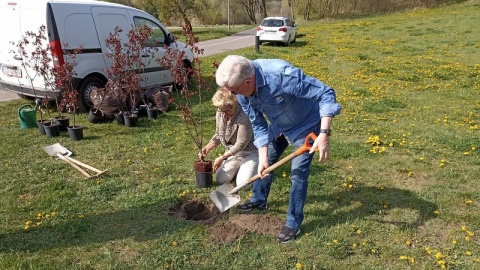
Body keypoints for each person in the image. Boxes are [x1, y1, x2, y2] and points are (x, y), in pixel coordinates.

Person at [215, 55, 342, 243]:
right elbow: (258, 124)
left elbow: (325, 93)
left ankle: (293, 223)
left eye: (233, 90)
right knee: (266, 161)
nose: (232, 95)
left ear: (248, 82)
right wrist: (263, 157)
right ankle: (259, 199)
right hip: (279, 124)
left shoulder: (281, 75)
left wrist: (324, 133)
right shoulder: (242, 92)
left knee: (298, 174)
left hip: (307, 124)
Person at [198, 87, 258, 187]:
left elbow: (241, 144)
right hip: (232, 153)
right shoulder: (220, 112)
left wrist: (222, 158)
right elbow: (219, 133)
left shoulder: (244, 115)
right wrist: (208, 147)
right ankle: (240, 167)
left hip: (250, 152)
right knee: (220, 179)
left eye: (227, 111)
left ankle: (256, 163)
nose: (224, 114)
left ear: (234, 104)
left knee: (243, 185)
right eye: (221, 111)